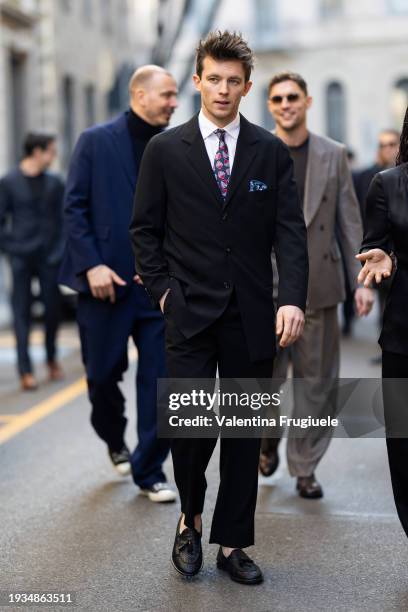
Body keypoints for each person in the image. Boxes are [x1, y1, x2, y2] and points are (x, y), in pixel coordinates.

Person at [130, 31, 308, 584]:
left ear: (247, 86)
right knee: (190, 432)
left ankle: (233, 543)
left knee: (241, 434)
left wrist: (292, 300)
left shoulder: (269, 152)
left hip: (252, 316)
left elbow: (290, 236)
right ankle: (190, 520)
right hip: (187, 314)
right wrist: (163, 293)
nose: (224, 90)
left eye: (235, 81)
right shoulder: (164, 150)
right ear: (197, 80)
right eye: (215, 78)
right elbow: (145, 232)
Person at [59, 66, 178, 502]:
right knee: (102, 377)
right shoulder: (95, 141)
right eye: (166, 94)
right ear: (139, 94)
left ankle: (150, 470)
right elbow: (73, 207)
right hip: (104, 285)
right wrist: (90, 265)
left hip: (159, 288)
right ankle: (114, 438)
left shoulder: (175, 144)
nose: (174, 102)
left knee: (162, 380)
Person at [260, 72, 373, 498]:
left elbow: (349, 220)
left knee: (317, 383)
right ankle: (266, 442)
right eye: (278, 98)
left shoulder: (332, 153)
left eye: (293, 97)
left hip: (321, 286)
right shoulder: (256, 149)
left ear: (307, 102)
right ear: (270, 105)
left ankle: (305, 467)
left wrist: (360, 281)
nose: (286, 104)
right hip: (266, 289)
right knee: (264, 382)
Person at [357, 105, 408, 538]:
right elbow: (376, 244)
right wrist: (386, 256)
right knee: (404, 442)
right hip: (403, 334)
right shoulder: (388, 184)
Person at [0, 133, 64, 391]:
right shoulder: (9, 182)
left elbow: (65, 220)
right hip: (21, 257)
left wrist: (59, 252)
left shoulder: (55, 183)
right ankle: (25, 371)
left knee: (53, 311)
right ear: (37, 152)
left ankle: (51, 358)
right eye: (50, 151)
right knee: (21, 314)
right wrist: (11, 248)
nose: (53, 156)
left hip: (49, 257)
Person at [353, 129, 400, 350]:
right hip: (377, 253)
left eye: (392, 144)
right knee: (385, 306)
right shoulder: (369, 178)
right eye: (383, 145)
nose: (388, 149)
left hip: (400, 256)